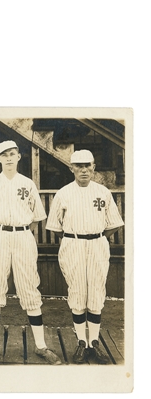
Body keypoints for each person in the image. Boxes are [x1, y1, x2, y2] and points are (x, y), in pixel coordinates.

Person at [0, 140, 61, 365]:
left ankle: (41, 346)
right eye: (4, 155)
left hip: (23, 236)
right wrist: (0, 234)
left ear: (19, 156)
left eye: (12, 153)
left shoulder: (28, 183)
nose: (9, 158)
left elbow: (36, 218)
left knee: (30, 288)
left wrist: (20, 233)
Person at [44, 149, 124, 364]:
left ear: (94, 167)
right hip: (73, 244)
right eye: (79, 166)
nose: (84, 170)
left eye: (87, 165)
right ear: (71, 168)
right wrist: (75, 237)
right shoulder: (63, 193)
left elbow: (114, 224)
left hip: (97, 244)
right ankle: (82, 342)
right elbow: (55, 226)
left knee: (96, 292)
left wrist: (95, 237)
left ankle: (94, 343)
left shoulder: (103, 192)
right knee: (78, 292)